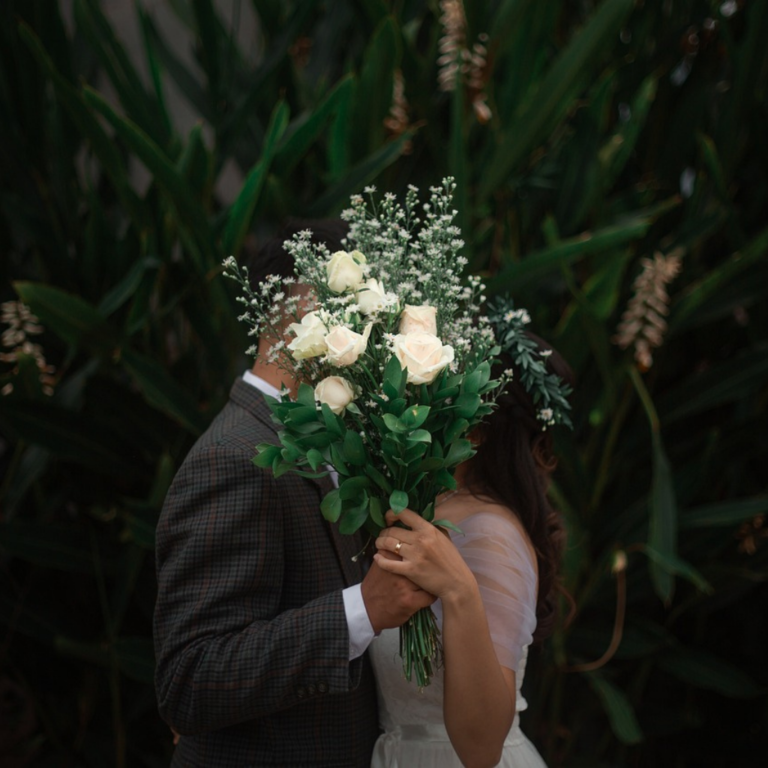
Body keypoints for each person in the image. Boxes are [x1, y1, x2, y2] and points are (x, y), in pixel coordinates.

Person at [153, 220, 434, 767]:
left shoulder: (321, 439)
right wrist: (363, 610)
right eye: (363, 317)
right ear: (310, 317)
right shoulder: (231, 459)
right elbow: (189, 677)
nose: (374, 339)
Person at [369, 341, 572, 768]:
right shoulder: (433, 506)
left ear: (477, 427)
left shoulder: (489, 533)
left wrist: (460, 591)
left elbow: (481, 749)